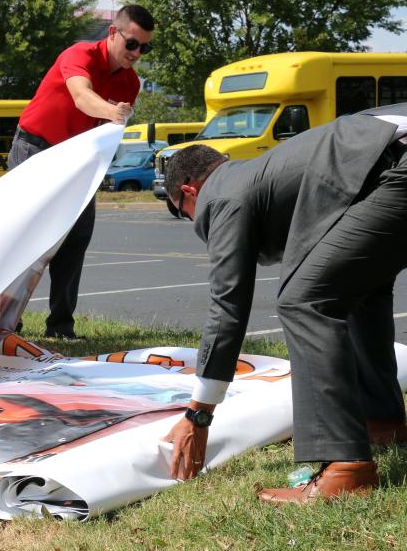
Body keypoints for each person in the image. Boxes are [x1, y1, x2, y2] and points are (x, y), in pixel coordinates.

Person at [161, 103, 407, 504]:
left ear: (189, 190)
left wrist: (198, 414)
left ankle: (346, 468)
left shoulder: (220, 197)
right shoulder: (255, 174)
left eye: (184, 213)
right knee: (360, 290)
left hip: (396, 166)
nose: (194, 223)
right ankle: (382, 421)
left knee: (302, 301)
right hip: (389, 158)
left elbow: (227, 306)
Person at [7, 4, 155, 338]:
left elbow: (103, 132)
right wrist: (113, 112)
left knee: (76, 238)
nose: (137, 52)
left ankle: (60, 326)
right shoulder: (79, 54)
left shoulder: (130, 83)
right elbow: (81, 96)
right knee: (25, 239)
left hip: (78, 158)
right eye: (132, 43)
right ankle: (6, 323)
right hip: (35, 149)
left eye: (145, 47)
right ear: (113, 33)